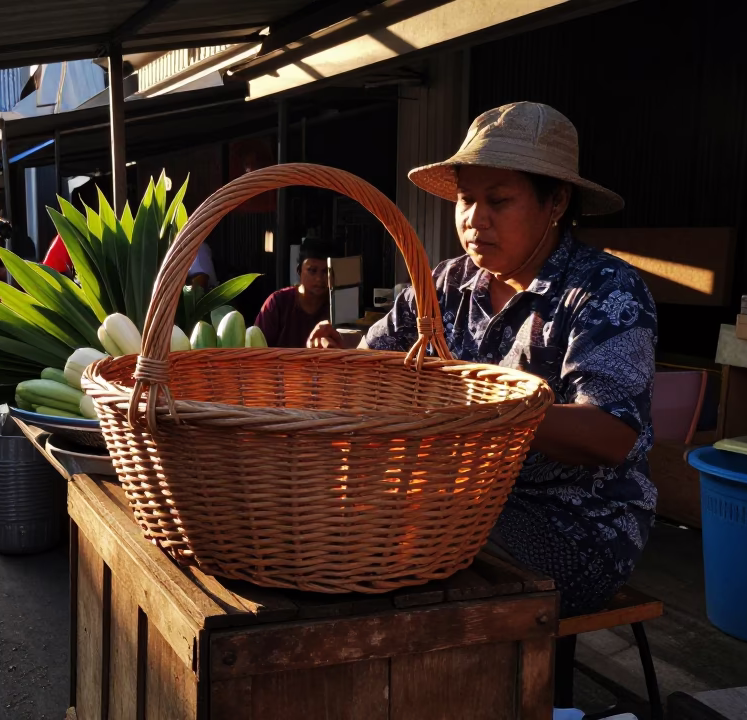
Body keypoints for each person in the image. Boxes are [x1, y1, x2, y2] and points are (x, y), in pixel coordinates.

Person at [310, 103, 658, 628]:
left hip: (570, 522)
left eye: (499, 200)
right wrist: (344, 358)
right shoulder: (444, 284)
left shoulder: (606, 291)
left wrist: (475, 407)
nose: (475, 219)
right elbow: (373, 369)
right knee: (331, 526)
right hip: (457, 500)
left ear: (556, 202)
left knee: (398, 558)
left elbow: (610, 433)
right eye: (467, 200)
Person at [254, 239, 330, 348]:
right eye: (312, 270)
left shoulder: (336, 306)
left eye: (325, 271)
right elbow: (257, 348)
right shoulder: (277, 303)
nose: (319, 279)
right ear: (299, 271)